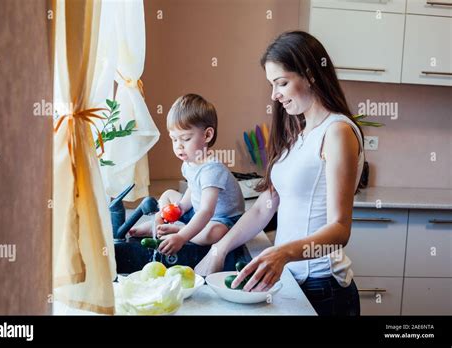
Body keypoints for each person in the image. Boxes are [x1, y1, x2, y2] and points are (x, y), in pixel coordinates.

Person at [195, 31, 364, 316]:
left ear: (310, 75)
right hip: (292, 282)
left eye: (281, 83)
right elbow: (264, 208)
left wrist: (282, 253)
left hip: (324, 289)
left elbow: (339, 230)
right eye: (272, 85)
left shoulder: (337, 132)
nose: (275, 95)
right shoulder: (299, 135)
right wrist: (219, 250)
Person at [129, 93, 245, 256]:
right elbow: (193, 187)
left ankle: (179, 230)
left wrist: (182, 236)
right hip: (196, 211)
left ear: (207, 135)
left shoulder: (212, 170)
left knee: (213, 234)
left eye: (185, 138)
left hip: (222, 219)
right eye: (174, 139)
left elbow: (207, 211)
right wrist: (182, 206)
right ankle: (159, 226)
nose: (178, 146)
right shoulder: (189, 162)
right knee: (168, 194)